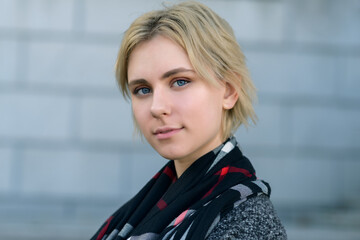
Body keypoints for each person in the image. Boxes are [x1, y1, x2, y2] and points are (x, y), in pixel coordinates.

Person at [91, 1, 287, 239]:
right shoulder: (138, 212)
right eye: (143, 89)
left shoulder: (249, 223)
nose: (157, 107)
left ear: (228, 91)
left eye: (180, 81)